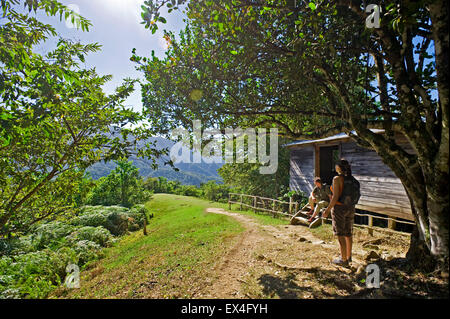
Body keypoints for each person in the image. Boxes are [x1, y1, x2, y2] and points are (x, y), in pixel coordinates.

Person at [322, 159, 356, 266]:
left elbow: (335, 197)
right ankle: (349, 257)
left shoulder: (337, 179)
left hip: (339, 209)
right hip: (350, 208)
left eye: (336, 165)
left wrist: (327, 210)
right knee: (348, 233)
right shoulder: (351, 179)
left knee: (340, 234)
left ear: (339, 167)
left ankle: (343, 259)